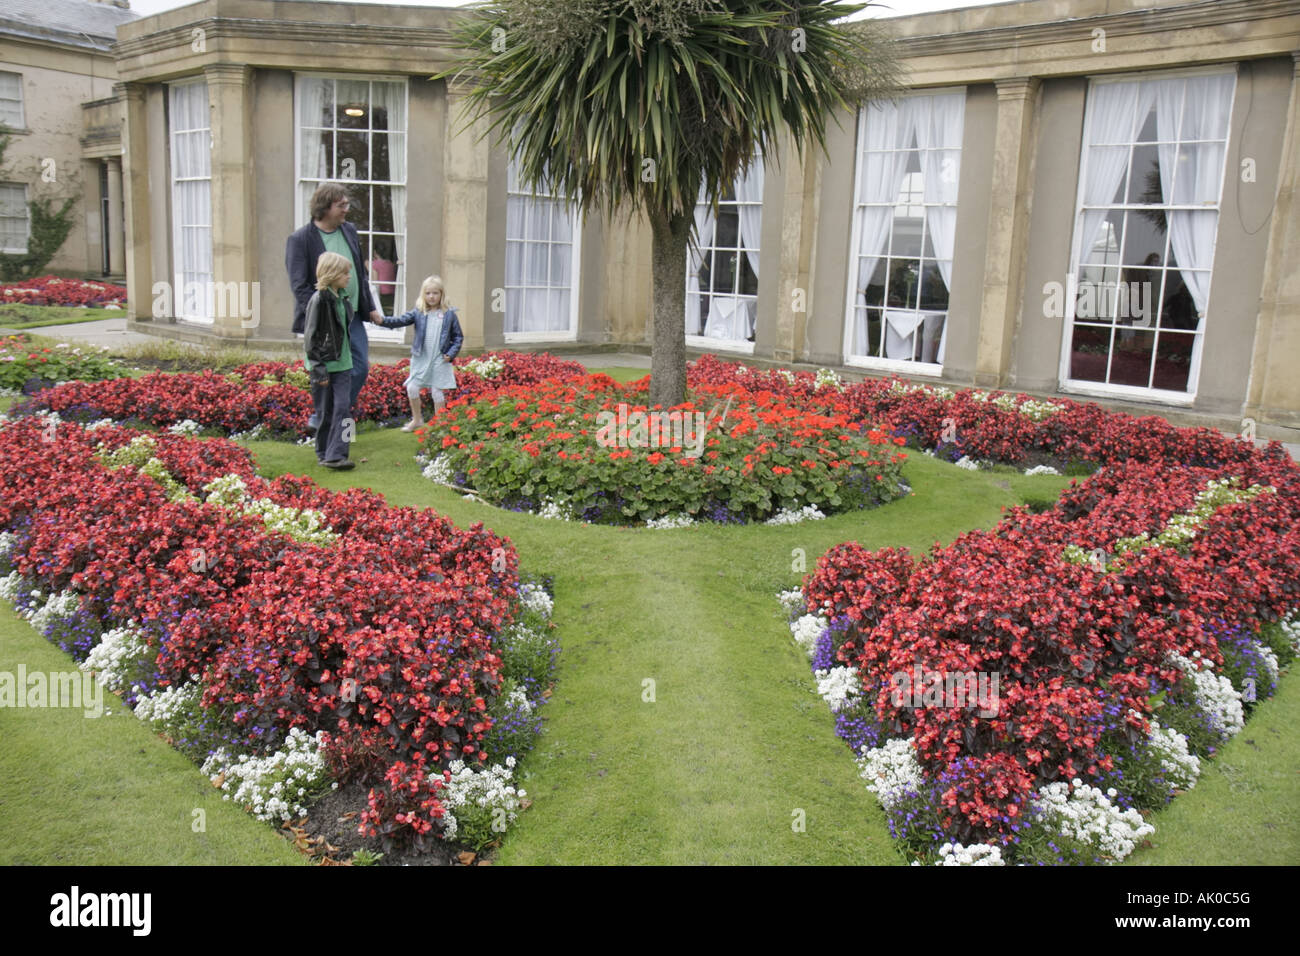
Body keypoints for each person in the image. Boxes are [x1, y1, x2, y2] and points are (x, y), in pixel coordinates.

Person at [285, 184, 383, 429]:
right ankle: (327, 420)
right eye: (341, 205)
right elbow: (299, 285)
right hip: (326, 322)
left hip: (353, 316)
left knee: (359, 368)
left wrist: (369, 306)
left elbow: (360, 274)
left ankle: (330, 416)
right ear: (325, 207)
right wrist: (322, 314)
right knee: (327, 374)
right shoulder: (300, 239)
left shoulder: (348, 230)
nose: (346, 210)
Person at [371, 275, 462, 430]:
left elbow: (458, 336)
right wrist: (382, 320)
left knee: (436, 391)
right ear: (423, 294)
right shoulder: (419, 313)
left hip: (440, 359)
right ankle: (417, 419)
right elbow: (400, 320)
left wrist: (451, 353)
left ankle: (439, 424)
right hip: (422, 358)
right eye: (428, 293)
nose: (431, 297)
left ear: (441, 294)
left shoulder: (449, 314)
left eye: (435, 293)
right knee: (412, 387)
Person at [303, 251, 357, 470]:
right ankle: (324, 453)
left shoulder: (342, 298)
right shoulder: (318, 301)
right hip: (324, 367)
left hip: (343, 365)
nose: (348, 277)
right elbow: (310, 338)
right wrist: (318, 370)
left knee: (344, 409)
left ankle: (339, 455)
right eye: (345, 273)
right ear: (332, 273)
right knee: (325, 412)